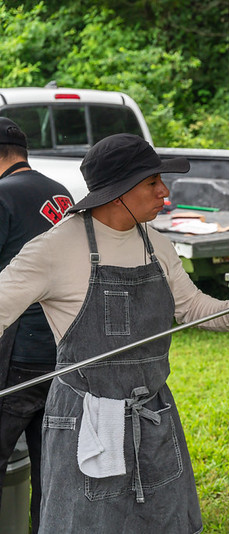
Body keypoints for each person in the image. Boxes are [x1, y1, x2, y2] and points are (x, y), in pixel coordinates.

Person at [0, 133, 229, 533]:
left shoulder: (157, 246)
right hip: (86, 423)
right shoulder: (53, 249)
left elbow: (193, 309)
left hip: (153, 417)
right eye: (152, 182)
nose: (164, 191)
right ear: (118, 193)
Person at [0, 117, 74, 533]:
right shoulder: (58, 192)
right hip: (62, 352)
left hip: (15, 354)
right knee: (51, 471)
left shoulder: (1, 196)